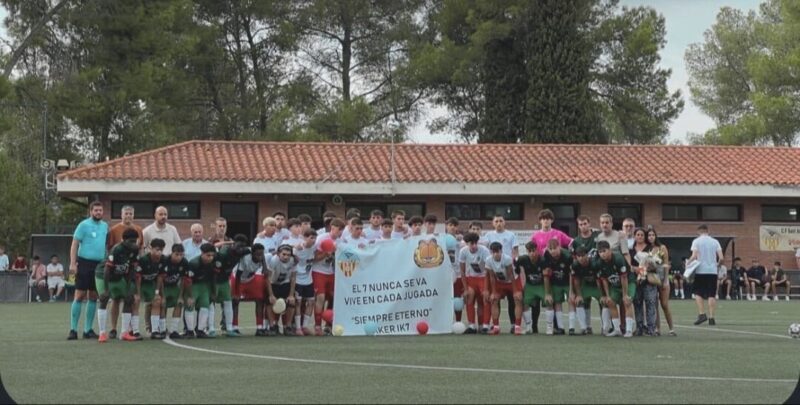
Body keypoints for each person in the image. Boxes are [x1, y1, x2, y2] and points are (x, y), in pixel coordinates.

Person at [68, 201, 108, 340]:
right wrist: (73, 263)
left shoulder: (105, 226)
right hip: (84, 263)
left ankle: (88, 330)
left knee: (93, 296)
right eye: (96, 210)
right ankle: (73, 330)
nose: (98, 213)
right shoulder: (83, 225)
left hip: (98, 265)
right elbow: (74, 244)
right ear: (91, 211)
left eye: (100, 210)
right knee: (79, 295)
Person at [95, 228, 141, 342]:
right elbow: (107, 270)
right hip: (104, 276)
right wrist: (106, 290)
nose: (133, 244)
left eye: (135, 241)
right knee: (104, 298)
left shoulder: (135, 250)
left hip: (119, 276)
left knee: (129, 298)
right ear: (123, 240)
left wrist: (129, 288)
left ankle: (124, 333)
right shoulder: (116, 249)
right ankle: (102, 333)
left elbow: (131, 269)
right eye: (130, 241)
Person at [312, 218, 344, 335]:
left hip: (332, 272)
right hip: (319, 271)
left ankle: (329, 325)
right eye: (337, 229)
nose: (339, 232)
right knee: (320, 297)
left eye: (341, 230)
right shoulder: (322, 239)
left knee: (332, 298)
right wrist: (326, 253)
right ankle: (317, 325)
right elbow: (314, 258)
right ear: (332, 227)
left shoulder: (341, 241)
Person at [596, 240, 633, 338]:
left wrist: (625, 294)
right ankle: (617, 330)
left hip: (629, 282)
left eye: (604, 251)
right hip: (615, 285)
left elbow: (624, 277)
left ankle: (629, 330)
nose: (602, 254)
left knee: (627, 301)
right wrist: (607, 295)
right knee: (610, 301)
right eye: (600, 252)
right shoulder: (600, 263)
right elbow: (604, 280)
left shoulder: (618, 258)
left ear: (610, 250)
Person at [688, 224, 724, 326]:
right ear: (708, 231)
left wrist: (688, 263)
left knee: (697, 292)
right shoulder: (715, 241)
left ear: (699, 231)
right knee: (711, 294)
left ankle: (702, 314)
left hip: (701, 270)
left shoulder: (696, 241)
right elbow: (721, 258)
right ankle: (712, 317)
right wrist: (717, 265)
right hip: (712, 271)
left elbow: (694, 256)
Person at [485, 242, 522, 335]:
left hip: (512, 281)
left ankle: (517, 326)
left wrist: (515, 291)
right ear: (491, 252)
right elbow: (492, 277)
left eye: (497, 252)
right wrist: (493, 292)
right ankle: (496, 327)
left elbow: (511, 275)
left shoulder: (507, 259)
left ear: (501, 251)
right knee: (494, 299)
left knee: (517, 299)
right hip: (499, 282)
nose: (496, 254)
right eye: (493, 252)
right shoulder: (488, 260)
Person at [185, 243, 220, 338]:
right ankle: (189, 330)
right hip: (193, 285)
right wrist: (190, 296)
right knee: (190, 305)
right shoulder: (194, 263)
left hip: (204, 285)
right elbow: (188, 280)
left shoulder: (214, 262)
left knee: (205, 305)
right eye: (208, 255)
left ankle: (200, 330)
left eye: (212, 255)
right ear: (202, 253)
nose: (210, 258)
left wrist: (214, 292)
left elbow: (214, 277)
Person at [459, 232, 491, 334]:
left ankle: (485, 325)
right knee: (469, 296)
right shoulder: (463, 251)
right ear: (466, 243)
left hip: (483, 278)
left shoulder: (484, 251)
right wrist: (465, 288)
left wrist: (486, 288)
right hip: (471, 279)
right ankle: (471, 325)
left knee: (485, 298)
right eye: (470, 243)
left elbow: (489, 270)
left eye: (475, 243)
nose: (473, 246)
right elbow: (462, 271)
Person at [232, 243, 268, 336]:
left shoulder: (261, 256)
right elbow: (238, 275)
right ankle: (234, 327)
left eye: (261, 254)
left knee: (260, 300)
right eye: (258, 254)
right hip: (238, 279)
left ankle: (259, 328)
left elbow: (262, 256)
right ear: (252, 254)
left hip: (251, 279)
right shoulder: (245, 259)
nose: (260, 257)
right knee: (235, 301)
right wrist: (236, 292)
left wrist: (265, 267)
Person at [135, 239, 167, 339]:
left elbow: (160, 277)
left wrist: (157, 292)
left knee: (157, 301)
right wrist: (138, 293)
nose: (159, 252)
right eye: (157, 249)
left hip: (151, 284)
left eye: (161, 250)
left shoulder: (163, 259)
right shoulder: (143, 260)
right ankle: (134, 331)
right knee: (135, 301)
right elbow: (138, 277)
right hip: (140, 284)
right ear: (150, 248)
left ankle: (155, 330)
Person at [647, 228, 675, 336]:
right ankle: (657, 328)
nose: (651, 237)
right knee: (654, 304)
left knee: (664, 304)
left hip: (662, 278)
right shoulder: (647, 249)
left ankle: (671, 328)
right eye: (649, 235)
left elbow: (666, 264)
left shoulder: (662, 247)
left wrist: (666, 280)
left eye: (652, 235)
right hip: (652, 278)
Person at [266, 244, 298, 336]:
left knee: (291, 302)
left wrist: (291, 294)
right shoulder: (274, 261)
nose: (286, 257)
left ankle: (287, 326)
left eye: (288, 255)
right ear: (279, 254)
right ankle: (272, 326)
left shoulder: (293, 261)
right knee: (269, 302)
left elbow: (293, 277)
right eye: (284, 254)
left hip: (285, 283)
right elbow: (268, 278)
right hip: (273, 283)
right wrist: (271, 295)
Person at [542, 238, 572, 335]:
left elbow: (572, 274)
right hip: (555, 283)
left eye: (555, 248)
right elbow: (546, 274)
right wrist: (547, 293)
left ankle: (572, 328)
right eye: (550, 249)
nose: (553, 251)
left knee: (571, 301)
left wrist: (572, 290)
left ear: (559, 247)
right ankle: (560, 327)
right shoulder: (546, 255)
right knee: (557, 302)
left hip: (567, 282)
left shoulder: (567, 256)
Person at [569, 246, 601, 334]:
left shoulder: (594, 264)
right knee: (579, 301)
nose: (581, 258)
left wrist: (603, 294)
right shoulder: (575, 265)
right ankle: (584, 327)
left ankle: (606, 327)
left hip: (597, 286)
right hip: (586, 285)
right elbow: (576, 280)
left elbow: (600, 280)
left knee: (604, 303)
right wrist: (578, 295)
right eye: (578, 256)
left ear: (587, 255)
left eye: (583, 256)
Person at [293, 230, 318, 336]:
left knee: (311, 302)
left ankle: (305, 326)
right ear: (305, 237)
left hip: (309, 280)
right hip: (298, 279)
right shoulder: (298, 249)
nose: (313, 240)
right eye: (311, 238)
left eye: (314, 238)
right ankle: (298, 328)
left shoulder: (314, 247)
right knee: (298, 302)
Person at [161, 244, 189, 339]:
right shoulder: (165, 261)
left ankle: (174, 330)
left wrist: (181, 296)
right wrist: (162, 296)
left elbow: (182, 280)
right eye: (177, 254)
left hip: (174, 287)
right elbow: (160, 279)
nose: (179, 257)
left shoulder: (184, 262)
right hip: (163, 287)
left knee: (179, 303)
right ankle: (162, 329)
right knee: (162, 304)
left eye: (181, 255)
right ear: (171, 253)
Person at [517, 241, 544, 334]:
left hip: (541, 285)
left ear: (537, 250)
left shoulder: (542, 260)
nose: (532, 253)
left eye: (534, 250)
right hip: (529, 285)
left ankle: (535, 325)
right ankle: (528, 326)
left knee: (538, 304)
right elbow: (515, 268)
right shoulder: (523, 259)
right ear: (527, 252)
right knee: (526, 303)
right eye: (530, 251)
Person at [629, 228, 650, 336]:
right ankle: (639, 327)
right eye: (638, 234)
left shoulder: (650, 248)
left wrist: (646, 269)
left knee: (650, 303)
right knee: (637, 303)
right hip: (635, 279)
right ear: (634, 236)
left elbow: (653, 263)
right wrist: (635, 269)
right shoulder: (631, 250)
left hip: (649, 280)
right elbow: (628, 264)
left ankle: (651, 328)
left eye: (642, 235)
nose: (640, 236)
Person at [444, 217, 462, 321]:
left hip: (458, 274)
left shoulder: (461, 241)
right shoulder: (441, 239)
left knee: (458, 299)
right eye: (450, 225)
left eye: (454, 225)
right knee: (445, 299)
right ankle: (446, 322)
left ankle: (458, 321)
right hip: (445, 274)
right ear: (446, 226)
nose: (452, 227)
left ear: (457, 227)